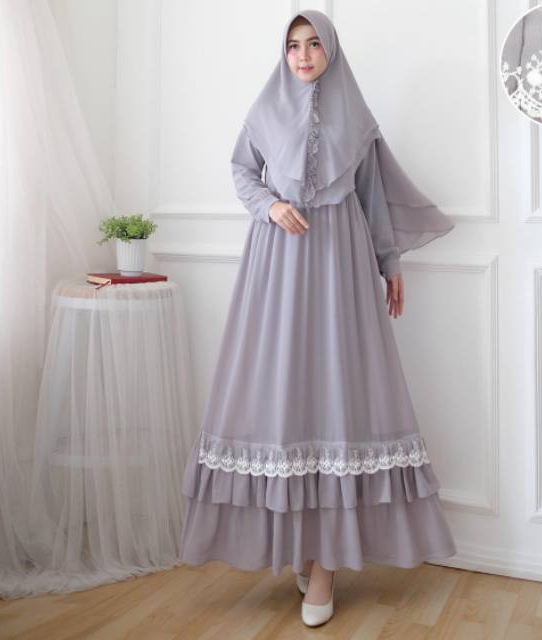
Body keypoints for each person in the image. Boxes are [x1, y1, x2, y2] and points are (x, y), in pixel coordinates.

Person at [179, 9, 457, 627]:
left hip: (339, 267)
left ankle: (326, 565)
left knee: (336, 401)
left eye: (312, 44)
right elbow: (241, 171)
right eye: (292, 45)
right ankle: (303, 548)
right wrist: (270, 206)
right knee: (284, 402)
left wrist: (391, 264)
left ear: (331, 49)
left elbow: (373, 199)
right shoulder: (264, 109)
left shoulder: (357, 119)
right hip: (276, 265)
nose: (302, 55)